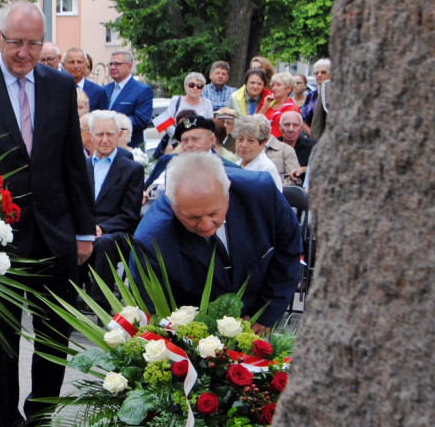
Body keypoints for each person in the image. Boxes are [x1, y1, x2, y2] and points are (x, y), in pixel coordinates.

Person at [0, 0, 96, 427]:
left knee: (53, 334)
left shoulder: (61, 86)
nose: (25, 52)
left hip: (55, 233)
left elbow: (72, 163)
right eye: (16, 42)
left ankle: (41, 421)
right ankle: (7, 425)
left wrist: (84, 231)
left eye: (34, 43)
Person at [131, 152, 301, 330]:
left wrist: (266, 316)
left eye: (213, 213)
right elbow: (154, 309)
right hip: (193, 330)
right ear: (171, 202)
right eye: (192, 217)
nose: (205, 225)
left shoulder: (262, 192)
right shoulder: (151, 241)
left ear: (228, 190)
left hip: (257, 316)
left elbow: (288, 251)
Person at [84, 111, 144, 287]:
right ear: (91, 136)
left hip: (117, 231)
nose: (104, 139)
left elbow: (130, 214)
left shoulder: (132, 169)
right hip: (86, 227)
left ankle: (100, 302)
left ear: (119, 135)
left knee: (104, 243)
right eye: (99, 134)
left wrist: (101, 228)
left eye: (110, 134)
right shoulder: (82, 166)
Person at [104, 50, 153, 147]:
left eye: (117, 64)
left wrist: (113, 122)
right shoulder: (105, 89)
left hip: (129, 146)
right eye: (111, 64)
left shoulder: (142, 90)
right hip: (105, 145)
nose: (113, 67)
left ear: (129, 67)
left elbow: (141, 121)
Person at [232, 115, 282, 190]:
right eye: (240, 139)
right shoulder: (235, 165)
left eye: (251, 140)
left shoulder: (266, 169)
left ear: (262, 144)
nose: (244, 145)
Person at [62, 47, 108, 111]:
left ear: (86, 65)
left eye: (79, 62)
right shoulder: (56, 89)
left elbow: (103, 118)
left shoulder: (99, 92)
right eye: (72, 62)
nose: (76, 66)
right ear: (64, 65)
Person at [279, 110, 315, 181]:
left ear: (301, 128)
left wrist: (304, 169)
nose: (291, 129)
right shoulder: (272, 146)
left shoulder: (313, 146)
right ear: (279, 127)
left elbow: (323, 168)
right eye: (286, 125)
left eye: (295, 125)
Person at [261, 71, 299, 137]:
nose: (274, 88)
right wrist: (264, 107)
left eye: (278, 85)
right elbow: (255, 122)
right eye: (273, 85)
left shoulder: (293, 108)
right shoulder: (269, 105)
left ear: (288, 89)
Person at [301, 58, 330, 134]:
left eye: (323, 72)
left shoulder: (335, 94)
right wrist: (313, 134)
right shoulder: (311, 95)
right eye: (316, 73)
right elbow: (303, 120)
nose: (319, 75)